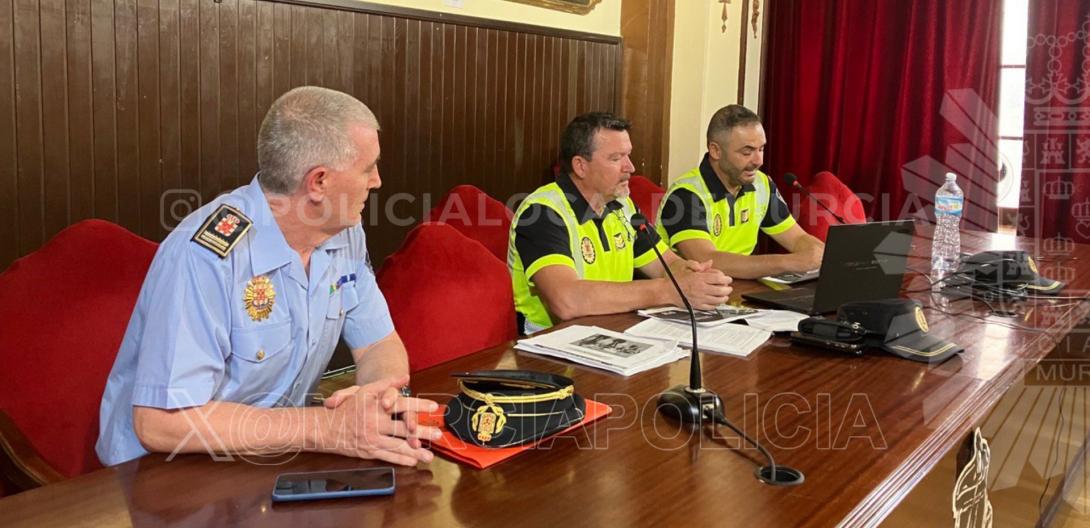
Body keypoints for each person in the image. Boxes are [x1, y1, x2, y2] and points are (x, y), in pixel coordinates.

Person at [96, 86, 441, 468]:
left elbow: (378, 344)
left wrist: (380, 398)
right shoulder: (205, 255)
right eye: (368, 167)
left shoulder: (344, 233)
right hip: (164, 478)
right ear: (319, 182)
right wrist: (327, 429)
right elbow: (161, 424)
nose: (377, 181)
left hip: (269, 462)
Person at [509, 112, 733, 334]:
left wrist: (691, 273)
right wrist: (669, 290)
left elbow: (665, 264)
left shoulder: (622, 206)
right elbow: (567, 300)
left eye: (628, 156)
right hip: (548, 344)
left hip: (614, 331)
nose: (631, 167)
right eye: (616, 158)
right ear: (580, 166)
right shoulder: (542, 212)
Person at [656, 104, 825, 279]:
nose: (758, 160)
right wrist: (789, 263)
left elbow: (797, 239)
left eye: (761, 149)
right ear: (715, 151)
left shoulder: (761, 184)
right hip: (693, 296)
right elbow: (706, 260)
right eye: (747, 152)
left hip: (741, 293)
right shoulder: (685, 194)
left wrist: (819, 253)